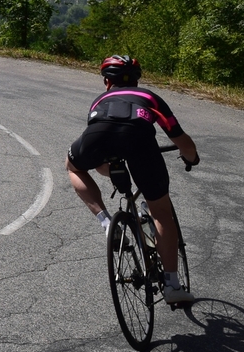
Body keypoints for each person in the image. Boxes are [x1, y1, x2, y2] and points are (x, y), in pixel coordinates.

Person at [66, 55, 200, 304]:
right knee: (161, 213)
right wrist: (191, 158)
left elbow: (101, 162)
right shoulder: (149, 97)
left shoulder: (100, 100)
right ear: (137, 81)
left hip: (99, 137)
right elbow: (179, 137)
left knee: (73, 167)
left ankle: (106, 222)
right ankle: (172, 286)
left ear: (107, 82)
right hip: (139, 141)